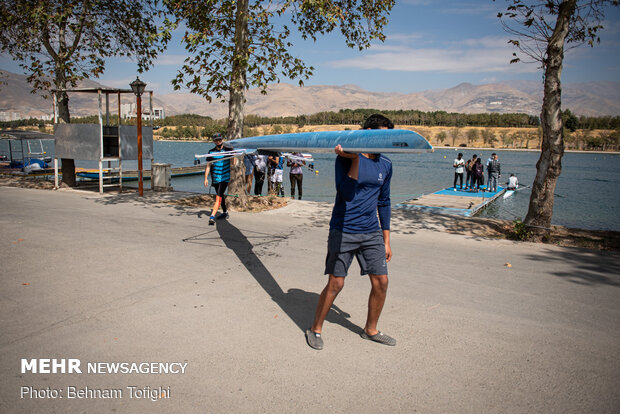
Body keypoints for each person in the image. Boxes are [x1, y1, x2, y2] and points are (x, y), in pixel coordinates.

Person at [306, 114, 395, 350]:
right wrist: (355, 159)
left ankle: (371, 329)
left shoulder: (386, 164)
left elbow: (384, 202)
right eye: (379, 135)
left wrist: (386, 240)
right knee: (336, 283)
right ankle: (315, 328)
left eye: (387, 136)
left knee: (381, 282)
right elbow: (346, 193)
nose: (383, 141)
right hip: (343, 229)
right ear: (366, 132)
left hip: (371, 232)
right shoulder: (345, 159)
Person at [204, 133, 236, 225]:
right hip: (215, 178)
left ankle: (212, 216)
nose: (218, 142)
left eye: (219, 140)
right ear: (214, 141)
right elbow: (208, 166)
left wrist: (233, 153)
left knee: (218, 197)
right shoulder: (211, 152)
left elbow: (233, 163)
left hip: (225, 177)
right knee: (220, 195)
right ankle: (225, 212)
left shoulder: (227, 151)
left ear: (222, 140)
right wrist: (206, 178)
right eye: (216, 140)